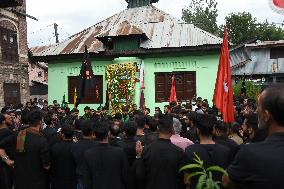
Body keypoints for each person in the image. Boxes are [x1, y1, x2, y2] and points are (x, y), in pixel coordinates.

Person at [223, 85, 284, 189]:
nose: (256, 111)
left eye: (258, 106)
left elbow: (226, 182)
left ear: (266, 115)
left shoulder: (250, 153)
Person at [0, 110, 50, 189]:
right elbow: (46, 166)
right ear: (40, 121)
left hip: (20, 181)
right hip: (37, 182)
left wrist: (7, 160)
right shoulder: (42, 140)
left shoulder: (18, 134)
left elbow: (1, 146)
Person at [136, 115, 185, 189]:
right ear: (172, 130)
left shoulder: (147, 149)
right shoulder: (179, 152)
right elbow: (182, 178)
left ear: (158, 128)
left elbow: (140, 175)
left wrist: (139, 156)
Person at [183, 114, 230, 188]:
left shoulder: (190, 150)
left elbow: (187, 180)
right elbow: (227, 180)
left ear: (197, 130)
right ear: (214, 130)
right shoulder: (226, 151)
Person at [82, 121, 129, 189]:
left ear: (94, 134)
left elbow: (87, 178)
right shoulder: (119, 152)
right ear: (109, 133)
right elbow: (125, 174)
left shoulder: (88, 154)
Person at [71, 120, 97, 189]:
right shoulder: (97, 146)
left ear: (81, 131)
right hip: (94, 178)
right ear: (92, 132)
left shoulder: (74, 146)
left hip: (80, 178)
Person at [50, 124, 77, 189]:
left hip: (57, 180)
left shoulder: (54, 147)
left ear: (62, 134)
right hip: (71, 180)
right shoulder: (76, 147)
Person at [0, 114, 14, 189]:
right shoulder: (7, 132)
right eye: (9, 118)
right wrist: (7, 159)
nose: (11, 119)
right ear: (3, 121)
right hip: (6, 165)